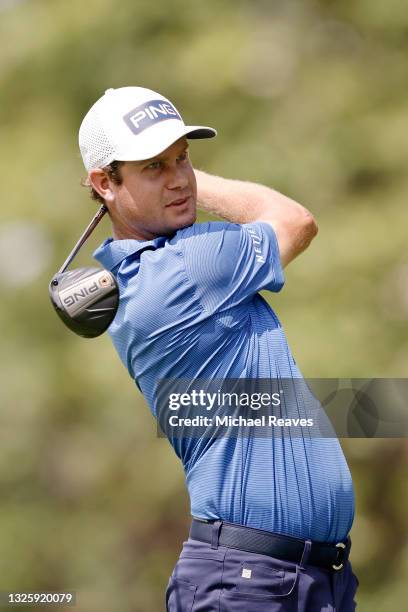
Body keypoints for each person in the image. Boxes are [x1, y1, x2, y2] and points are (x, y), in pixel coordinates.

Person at [79, 86, 358, 611]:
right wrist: (200, 185)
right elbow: (295, 219)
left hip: (309, 578)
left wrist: (163, 179)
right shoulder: (185, 268)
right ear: (104, 182)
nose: (180, 178)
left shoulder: (156, 269)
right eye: (154, 167)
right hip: (248, 584)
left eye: (184, 158)